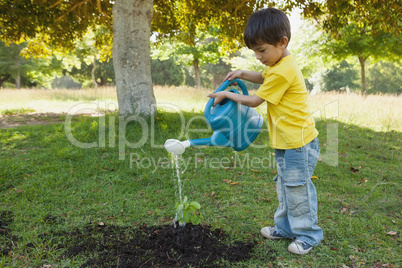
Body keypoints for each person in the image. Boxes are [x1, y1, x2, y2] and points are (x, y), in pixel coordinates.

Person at [207, 7, 323, 255]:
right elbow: (262, 77)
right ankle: (284, 227)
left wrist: (228, 94)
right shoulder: (280, 63)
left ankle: (308, 235)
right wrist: (241, 73)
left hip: (298, 143)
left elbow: (256, 100)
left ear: (282, 42)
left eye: (262, 50)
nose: (259, 56)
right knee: (285, 186)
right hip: (287, 141)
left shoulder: (284, 69)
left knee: (297, 189)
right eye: (255, 51)